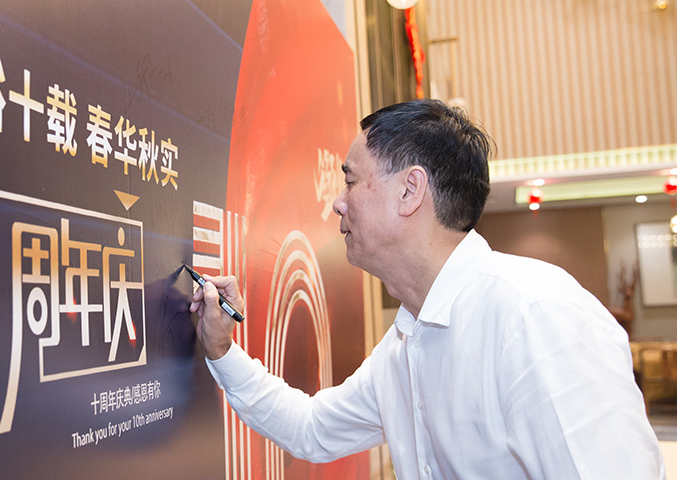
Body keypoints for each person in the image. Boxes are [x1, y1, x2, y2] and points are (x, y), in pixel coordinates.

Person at [190, 99, 664, 479]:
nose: (337, 203)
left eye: (351, 181)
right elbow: (311, 428)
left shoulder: (535, 315)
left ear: (409, 190)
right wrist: (221, 349)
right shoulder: (403, 348)